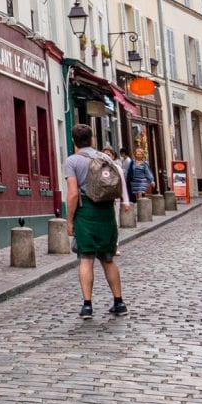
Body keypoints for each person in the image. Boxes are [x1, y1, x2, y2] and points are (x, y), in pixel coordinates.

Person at [64, 124, 127, 319]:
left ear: (74, 141)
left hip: (86, 212)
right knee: (108, 259)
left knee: (86, 258)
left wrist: (69, 220)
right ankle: (119, 302)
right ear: (91, 139)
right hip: (106, 211)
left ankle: (87, 306)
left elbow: (73, 193)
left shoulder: (72, 161)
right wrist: (125, 202)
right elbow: (120, 179)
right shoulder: (105, 157)